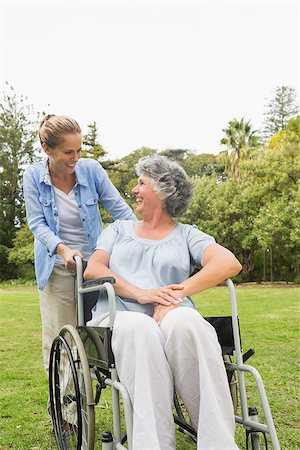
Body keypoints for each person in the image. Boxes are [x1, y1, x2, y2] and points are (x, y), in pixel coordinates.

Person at [84, 155, 242, 450]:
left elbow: (227, 262)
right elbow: (94, 269)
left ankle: (219, 444)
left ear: (163, 190)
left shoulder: (187, 234)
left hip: (171, 314)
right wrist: (142, 294)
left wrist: (178, 293)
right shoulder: (117, 230)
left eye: (141, 183)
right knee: (141, 329)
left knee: (189, 324)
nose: (133, 190)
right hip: (119, 315)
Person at [23, 114, 135, 375]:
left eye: (79, 150)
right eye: (68, 152)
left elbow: (121, 211)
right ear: (46, 150)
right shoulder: (32, 176)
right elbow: (37, 223)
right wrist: (63, 249)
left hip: (95, 265)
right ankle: (67, 411)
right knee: (61, 335)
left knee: (98, 332)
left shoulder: (91, 170)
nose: (75, 157)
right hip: (58, 266)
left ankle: (90, 395)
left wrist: (141, 241)